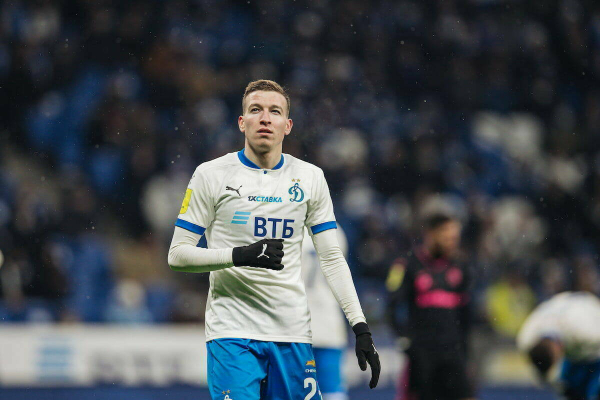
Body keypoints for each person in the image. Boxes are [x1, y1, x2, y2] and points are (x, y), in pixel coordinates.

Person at [168, 80, 380, 400]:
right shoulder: (211, 175)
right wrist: (240, 255)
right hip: (232, 333)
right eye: (256, 110)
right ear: (242, 122)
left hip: (292, 334)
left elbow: (332, 258)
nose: (265, 118)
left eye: (275, 111)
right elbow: (178, 255)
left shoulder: (310, 178)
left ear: (287, 125)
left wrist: (360, 326)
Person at [386, 214, 475, 400]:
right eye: (447, 237)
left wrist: (465, 346)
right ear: (431, 234)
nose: (452, 242)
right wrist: (405, 339)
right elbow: (392, 306)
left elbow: (467, 311)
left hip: (453, 352)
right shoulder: (407, 264)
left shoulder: (462, 265)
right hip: (422, 354)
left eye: (454, 238)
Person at [517, 291, 600, 400]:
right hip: (563, 307)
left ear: (556, 350)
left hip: (589, 311)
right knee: (568, 390)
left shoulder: (587, 331)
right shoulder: (527, 338)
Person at [301, 226, 349, 400]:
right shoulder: (336, 229)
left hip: (295, 321)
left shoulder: (287, 224)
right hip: (329, 319)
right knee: (333, 390)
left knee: (295, 389)